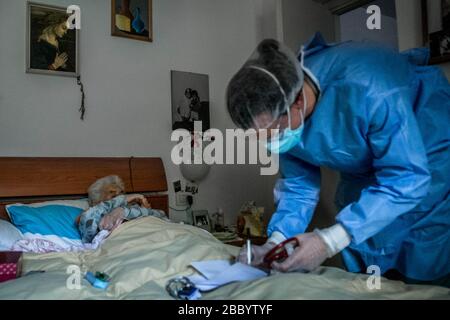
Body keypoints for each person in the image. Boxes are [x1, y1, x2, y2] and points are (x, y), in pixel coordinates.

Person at [227, 33, 450, 287]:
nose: (271, 141)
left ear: (298, 100)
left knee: (422, 264)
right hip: (362, 180)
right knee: (367, 263)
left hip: (426, 162)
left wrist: (329, 241)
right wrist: (274, 242)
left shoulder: (368, 86)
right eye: (262, 136)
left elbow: (409, 177)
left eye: (273, 132)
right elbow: (298, 186)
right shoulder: (284, 113)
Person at [77, 175, 168, 243]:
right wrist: (121, 200)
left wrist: (145, 211)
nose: (119, 196)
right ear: (97, 199)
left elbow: (162, 215)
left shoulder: (132, 208)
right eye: (112, 193)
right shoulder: (91, 213)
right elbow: (89, 233)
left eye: (121, 193)